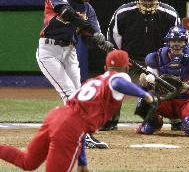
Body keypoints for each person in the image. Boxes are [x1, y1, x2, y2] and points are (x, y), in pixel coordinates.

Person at [0, 50, 156, 172]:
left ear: (104, 68)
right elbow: (117, 82)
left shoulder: (92, 81)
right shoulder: (120, 77)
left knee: (28, 161)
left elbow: (79, 128)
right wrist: (143, 94)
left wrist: (82, 161)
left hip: (56, 116)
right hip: (70, 124)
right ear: (127, 67)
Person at [36, 0, 112, 149]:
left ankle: (78, 133)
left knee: (80, 94)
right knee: (69, 92)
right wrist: (91, 31)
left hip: (70, 51)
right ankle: (79, 135)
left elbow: (93, 34)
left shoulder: (88, 9)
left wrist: (101, 41)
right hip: (48, 51)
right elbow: (67, 13)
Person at [103, 0, 180, 131]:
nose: (148, 2)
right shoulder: (123, 12)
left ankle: (176, 119)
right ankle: (110, 120)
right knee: (115, 80)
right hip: (130, 59)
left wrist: (166, 60)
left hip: (158, 59)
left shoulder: (169, 14)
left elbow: (176, 39)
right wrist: (122, 59)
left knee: (172, 81)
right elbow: (113, 38)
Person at [135, 24, 189, 136]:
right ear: (168, 42)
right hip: (166, 100)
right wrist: (144, 83)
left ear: (186, 42)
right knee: (143, 99)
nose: (176, 44)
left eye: (180, 41)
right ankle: (153, 123)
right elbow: (150, 84)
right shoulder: (157, 57)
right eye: (173, 40)